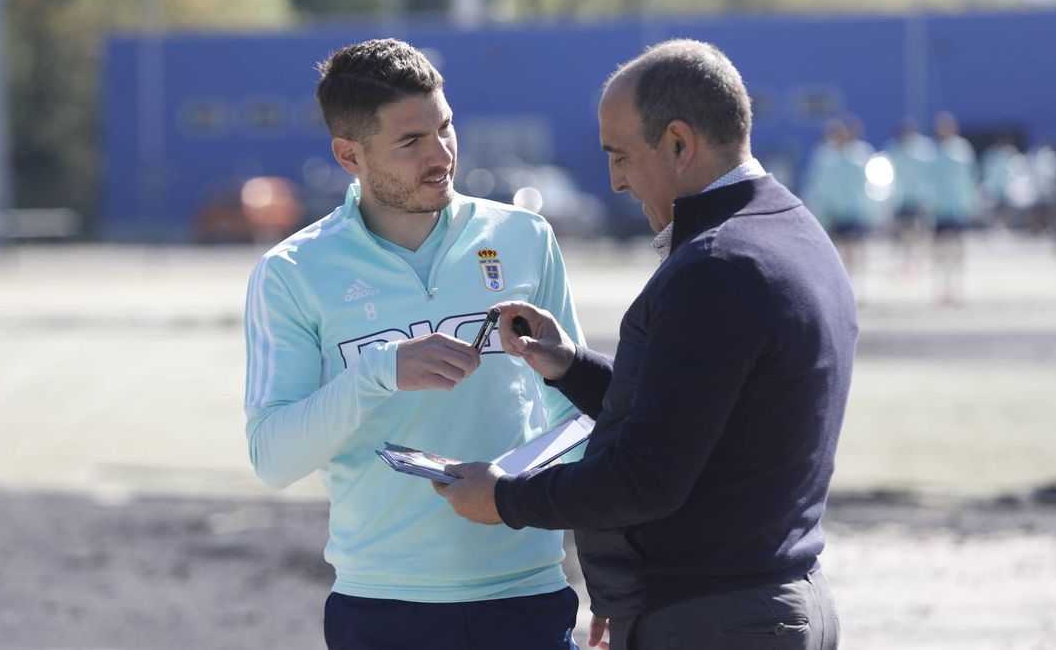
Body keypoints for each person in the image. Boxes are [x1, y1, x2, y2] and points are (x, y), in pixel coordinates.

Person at [436, 39, 856, 650]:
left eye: (621, 156)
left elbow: (645, 477)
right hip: (761, 602)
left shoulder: (718, 264)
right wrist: (569, 367)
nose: (614, 181)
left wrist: (501, 498)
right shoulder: (789, 230)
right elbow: (692, 412)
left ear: (679, 144)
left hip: (717, 617)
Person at [244, 38, 585, 650]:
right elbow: (273, 458)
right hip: (383, 604)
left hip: (527, 595)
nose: (442, 155)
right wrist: (376, 373)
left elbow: (578, 415)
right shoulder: (292, 270)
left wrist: (610, 573)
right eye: (411, 141)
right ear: (349, 155)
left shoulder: (524, 235)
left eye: (446, 127)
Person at [802, 116, 876, 290]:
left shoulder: (860, 153)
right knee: (835, 250)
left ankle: (857, 284)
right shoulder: (825, 155)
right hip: (832, 211)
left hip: (855, 209)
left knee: (856, 248)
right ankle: (842, 284)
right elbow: (816, 183)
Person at [928, 111, 979, 306]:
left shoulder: (961, 149)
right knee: (940, 250)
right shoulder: (934, 152)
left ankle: (957, 287)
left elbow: (970, 178)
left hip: (957, 206)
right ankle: (942, 286)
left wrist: (971, 203)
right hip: (940, 207)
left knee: (957, 248)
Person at [883, 116, 937, 275]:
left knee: (917, 230)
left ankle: (916, 258)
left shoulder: (923, 148)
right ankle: (907, 259)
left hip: (919, 197)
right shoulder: (894, 149)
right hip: (901, 197)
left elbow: (930, 173)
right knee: (903, 231)